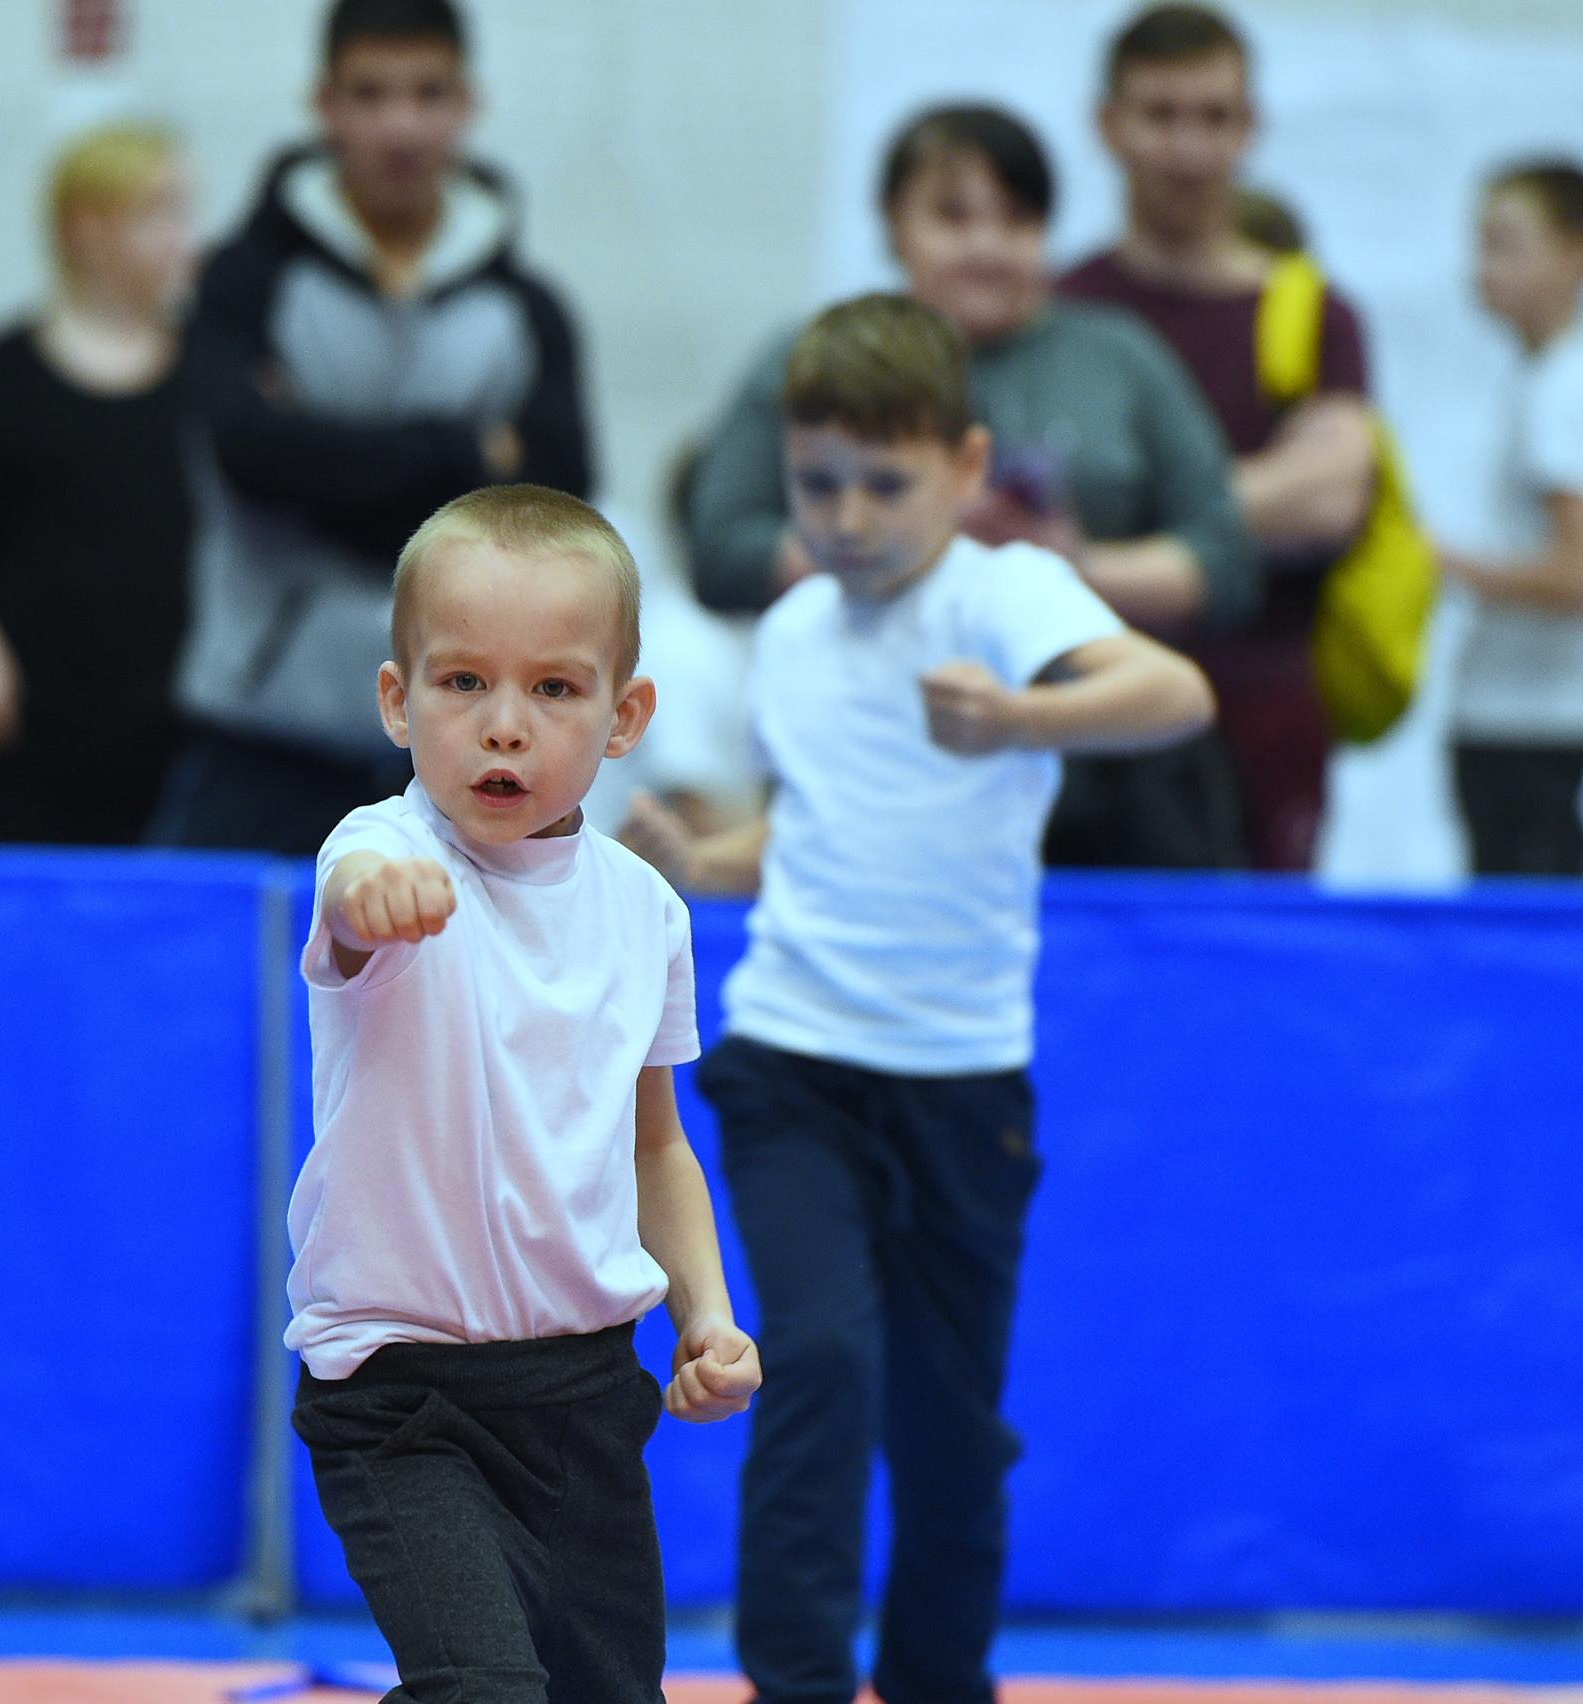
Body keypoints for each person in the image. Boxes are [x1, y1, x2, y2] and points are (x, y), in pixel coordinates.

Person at [625, 296, 1214, 1704]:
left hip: (960, 1078)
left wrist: (1028, 719)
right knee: (814, 1361)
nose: (847, 516)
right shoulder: (794, 631)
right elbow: (817, 818)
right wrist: (709, 861)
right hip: (793, 1060)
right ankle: (799, 1682)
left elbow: (1177, 689)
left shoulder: (1004, 596)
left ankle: (941, 1681)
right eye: (816, 482)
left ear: (965, 466)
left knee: (949, 1430)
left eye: (884, 484)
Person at [289, 482, 759, 1703]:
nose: (505, 727)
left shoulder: (645, 911)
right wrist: (366, 909)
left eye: (554, 688)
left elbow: (656, 1147)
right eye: (462, 685)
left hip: (585, 1394)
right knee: (485, 1690)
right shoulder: (378, 851)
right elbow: (347, 913)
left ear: (623, 715)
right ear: (398, 701)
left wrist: (703, 1313)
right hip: (400, 1396)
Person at [687, 102, 1254, 868]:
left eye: (1016, 219)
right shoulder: (815, 359)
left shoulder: (1117, 357)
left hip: (1116, 785)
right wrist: (908, 547)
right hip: (874, 751)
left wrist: (1073, 564)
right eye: (952, 217)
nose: (986, 246)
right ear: (894, 225)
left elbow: (1226, 559)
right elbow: (720, 548)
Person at [159, 0, 591, 858]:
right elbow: (250, 457)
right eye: (370, 94)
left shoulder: (530, 312)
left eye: (429, 94)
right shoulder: (242, 284)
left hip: (466, 764)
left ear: (468, 104)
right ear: (324, 104)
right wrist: (467, 457)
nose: (401, 124)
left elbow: (554, 512)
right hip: (260, 741)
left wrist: (319, 458)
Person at [1061, 3, 1377, 869]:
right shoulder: (1062, 311)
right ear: (1108, 126)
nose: (1188, 148)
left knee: (1260, 970)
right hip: (1088, 709)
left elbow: (1329, 503)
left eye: (1214, 117)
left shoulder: (1313, 316)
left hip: (1265, 709)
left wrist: (1127, 512)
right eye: (1161, 115)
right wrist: (1254, 497)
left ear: (1251, 128)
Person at [0, 124, 196, 846]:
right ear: (89, 226)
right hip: (35, 715)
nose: (183, 237)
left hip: (182, 712)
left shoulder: (213, 374)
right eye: (159, 212)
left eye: (184, 211)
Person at [1437, 159, 1583, 876]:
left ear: (1579, 253)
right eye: (1481, 243)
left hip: (1539, 728)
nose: (1483, 267)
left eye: (1506, 245)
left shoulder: (1567, 389)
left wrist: (1439, 562)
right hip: (1522, 722)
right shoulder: (1546, 377)